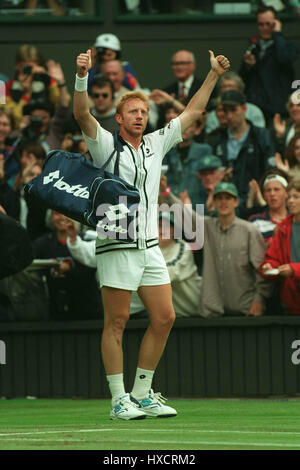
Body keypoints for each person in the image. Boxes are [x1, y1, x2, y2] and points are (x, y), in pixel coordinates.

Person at [73, 46, 230, 420]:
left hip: (149, 246)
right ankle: (117, 400)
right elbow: (80, 112)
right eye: (133, 112)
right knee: (117, 321)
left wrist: (213, 75)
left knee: (165, 317)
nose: (140, 116)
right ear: (119, 117)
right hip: (115, 243)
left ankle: (142, 393)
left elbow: (192, 112)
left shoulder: (157, 143)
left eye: (144, 112)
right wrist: (82, 75)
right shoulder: (105, 143)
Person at [200, 182, 272, 318]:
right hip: (214, 313)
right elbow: (184, 216)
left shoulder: (249, 230)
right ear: (213, 202)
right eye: (219, 198)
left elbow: (262, 270)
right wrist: (165, 193)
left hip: (246, 311)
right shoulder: (206, 226)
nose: (223, 202)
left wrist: (259, 299)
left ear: (236, 202)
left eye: (228, 198)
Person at [212, 89, 275, 206]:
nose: (229, 115)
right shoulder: (219, 139)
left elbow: (270, 172)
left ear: (244, 109)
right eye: (225, 111)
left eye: (233, 110)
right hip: (228, 200)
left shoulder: (261, 136)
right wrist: (222, 176)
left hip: (257, 200)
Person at [239, 6, 298, 123]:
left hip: (277, 110)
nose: (265, 28)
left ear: (276, 23)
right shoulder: (254, 48)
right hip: (255, 108)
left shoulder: (287, 45)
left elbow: (285, 58)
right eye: (261, 24)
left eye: (268, 24)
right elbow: (242, 79)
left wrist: (277, 34)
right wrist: (249, 67)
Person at [260, 179, 300, 315]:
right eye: (289, 197)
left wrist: (293, 269)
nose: (291, 201)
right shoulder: (283, 227)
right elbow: (273, 257)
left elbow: (292, 268)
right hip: (291, 303)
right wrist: (269, 266)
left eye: (296, 197)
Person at [158, 212, 202, 318]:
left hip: (195, 309)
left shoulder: (184, 247)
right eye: (159, 225)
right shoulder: (151, 250)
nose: (163, 229)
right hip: (174, 314)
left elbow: (172, 274)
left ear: (174, 231)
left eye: (168, 226)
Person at [164, 120, 213, 208]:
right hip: (172, 204)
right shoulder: (167, 151)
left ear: (197, 130)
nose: (185, 128)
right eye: (182, 125)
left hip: (198, 204)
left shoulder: (204, 151)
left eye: (189, 125)